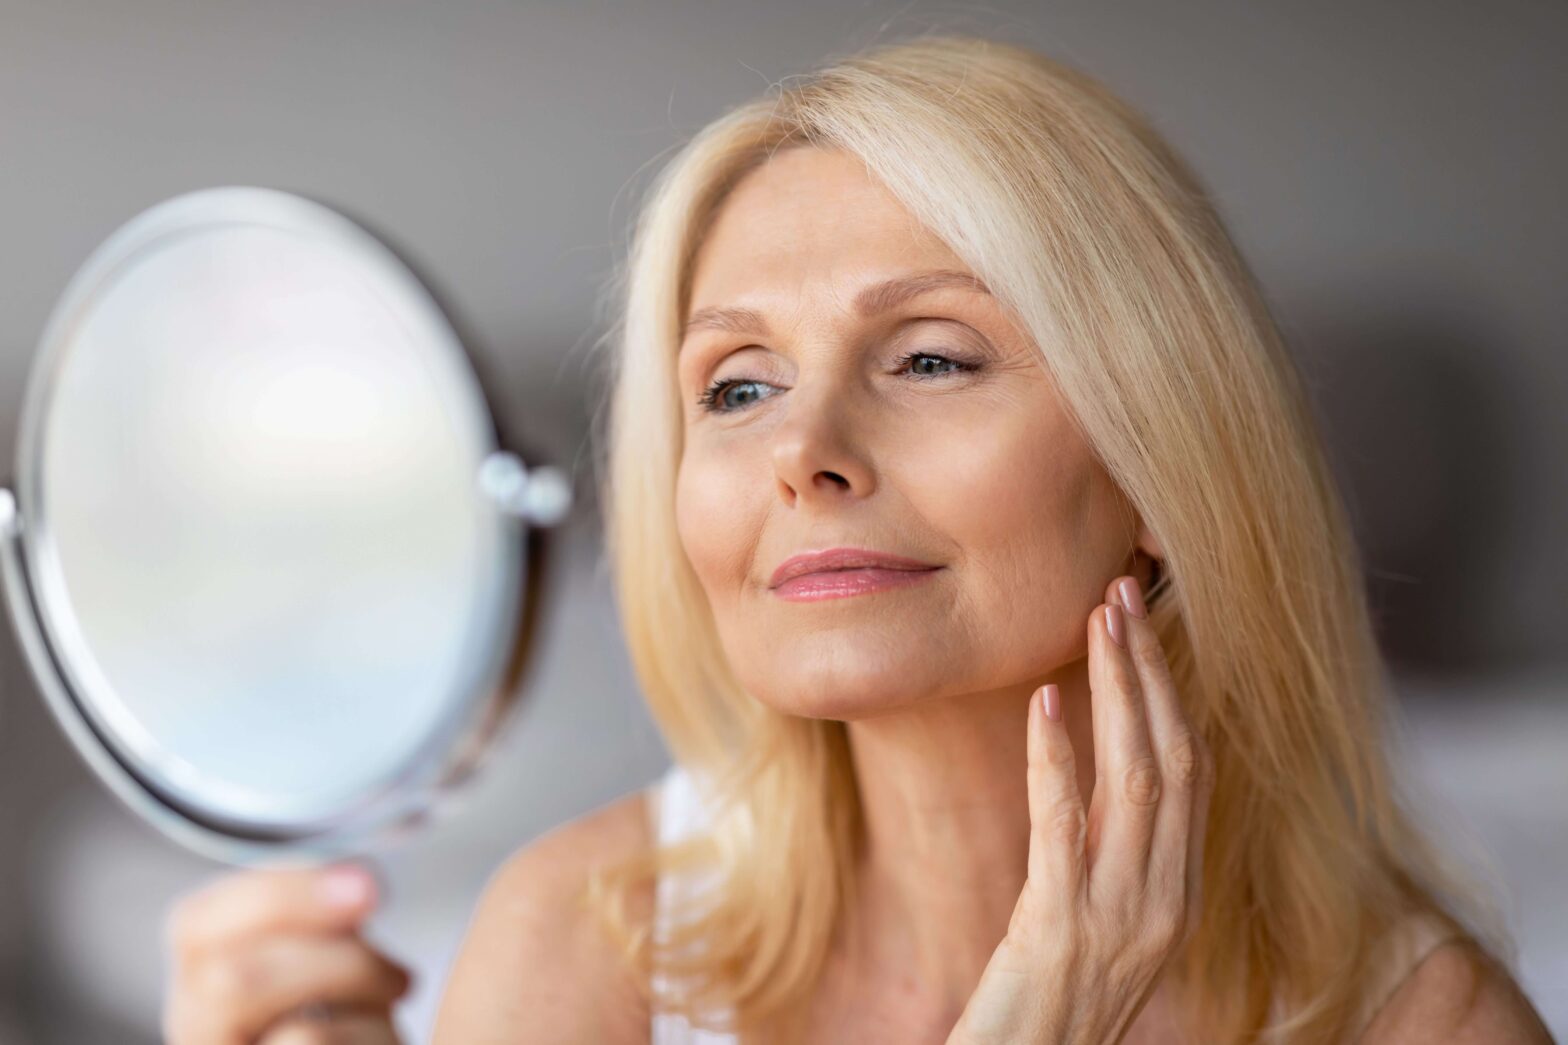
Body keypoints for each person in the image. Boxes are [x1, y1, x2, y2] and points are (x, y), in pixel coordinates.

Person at [160, 34, 1556, 1044]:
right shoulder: (589, 944)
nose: (801, 451)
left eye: (934, 358)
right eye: (739, 386)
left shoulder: (1418, 1019)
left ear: (1156, 457)